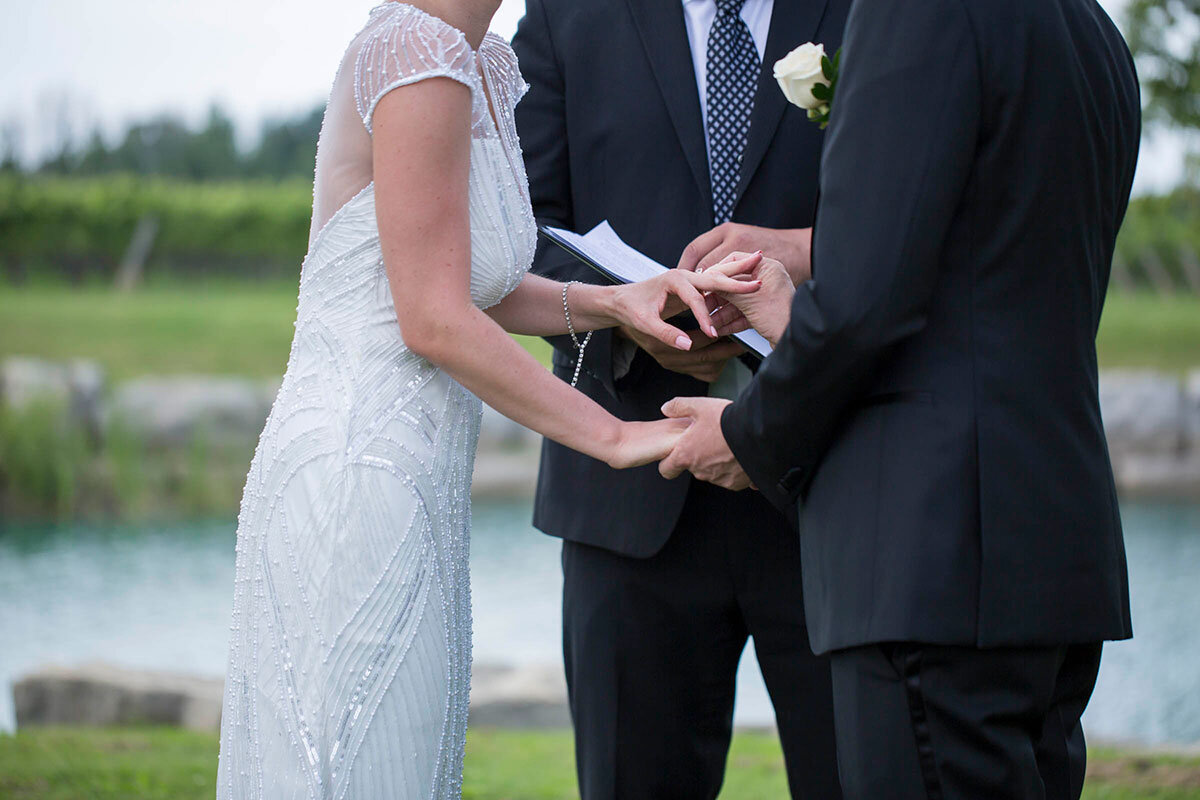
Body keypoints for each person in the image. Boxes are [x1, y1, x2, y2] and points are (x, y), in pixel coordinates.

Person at [213, 2, 763, 797]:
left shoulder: (483, 61)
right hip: (359, 472)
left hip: (421, 472)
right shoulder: (418, 53)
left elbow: (470, 278)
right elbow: (433, 318)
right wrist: (615, 435)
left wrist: (620, 303)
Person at [661, 0, 1140, 797]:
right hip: (1050, 546)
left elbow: (864, 306)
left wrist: (749, 435)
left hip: (932, 560)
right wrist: (794, 317)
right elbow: (990, 279)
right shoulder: (1091, 32)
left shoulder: (917, 12)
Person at [512, 0, 848, 797]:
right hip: (628, 496)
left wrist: (796, 276)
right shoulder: (566, 15)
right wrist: (639, 315)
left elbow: (914, 208)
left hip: (831, 487)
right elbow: (516, 227)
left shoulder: (871, 13)